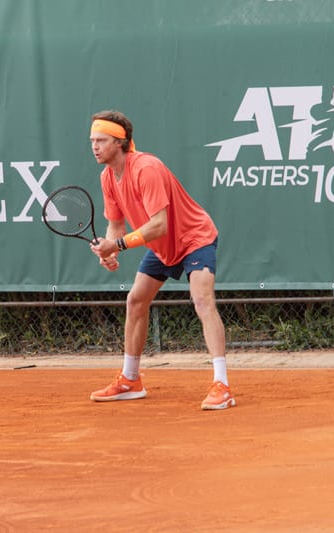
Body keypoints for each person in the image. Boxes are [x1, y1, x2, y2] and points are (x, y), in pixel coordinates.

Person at [87, 110, 236, 410]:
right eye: (92, 140)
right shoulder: (107, 178)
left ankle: (222, 385)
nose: (95, 146)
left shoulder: (147, 168)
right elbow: (116, 226)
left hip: (194, 237)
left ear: (121, 142)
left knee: (202, 299)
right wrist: (110, 250)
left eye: (101, 140)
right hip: (162, 248)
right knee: (135, 301)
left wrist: (117, 244)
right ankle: (131, 379)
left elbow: (159, 224)